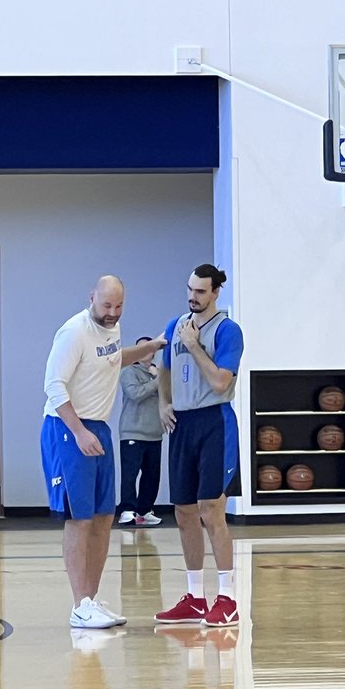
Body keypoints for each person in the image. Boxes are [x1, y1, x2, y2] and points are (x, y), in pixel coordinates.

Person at [42, 275, 165, 629]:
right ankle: (79, 604)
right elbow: (53, 385)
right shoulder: (73, 332)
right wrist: (78, 431)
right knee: (79, 518)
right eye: (106, 305)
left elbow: (112, 359)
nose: (113, 313)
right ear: (91, 298)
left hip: (98, 427)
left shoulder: (113, 329)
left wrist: (152, 346)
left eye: (119, 306)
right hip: (67, 427)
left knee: (103, 517)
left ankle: (90, 602)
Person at [155, 264, 245, 628]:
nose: (193, 297)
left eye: (201, 292)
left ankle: (228, 598)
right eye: (190, 289)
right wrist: (163, 402)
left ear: (216, 293)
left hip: (214, 421)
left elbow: (221, 382)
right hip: (183, 424)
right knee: (184, 511)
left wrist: (194, 347)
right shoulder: (174, 325)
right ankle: (194, 598)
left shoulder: (228, 330)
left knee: (212, 510)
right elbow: (163, 368)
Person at [116, 336, 163, 526]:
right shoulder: (128, 371)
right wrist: (157, 381)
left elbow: (169, 396)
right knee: (130, 474)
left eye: (148, 348)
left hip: (155, 433)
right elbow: (135, 394)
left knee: (152, 475)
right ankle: (127, 509)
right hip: (132, 432)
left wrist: (159, 378)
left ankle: (145, 510)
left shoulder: (160, 373)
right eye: (141, 348)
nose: (145, 351)